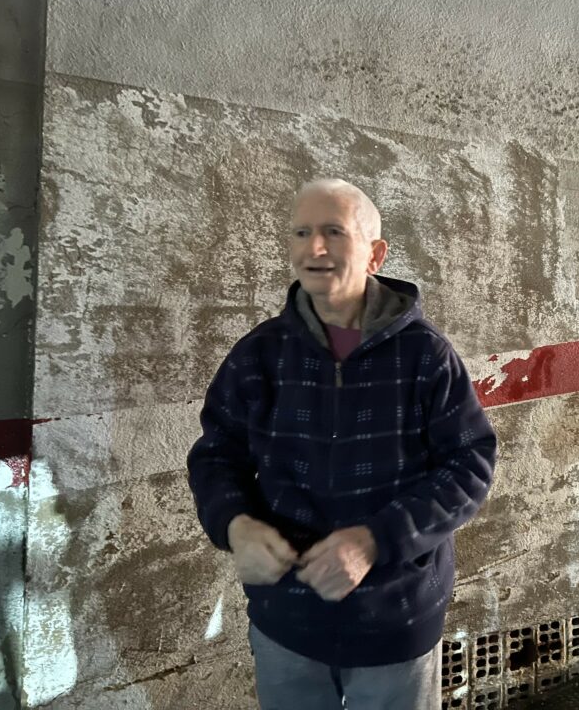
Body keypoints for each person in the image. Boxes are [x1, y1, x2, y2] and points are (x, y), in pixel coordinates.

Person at [187, 178, 497, 710]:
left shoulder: (425, 356)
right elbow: (216, 455)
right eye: (301, 232)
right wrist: (235, 525)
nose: (314, 247)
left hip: (395, 618)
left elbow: (469, 464)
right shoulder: (259, 355)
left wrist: (375, 540)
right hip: (287, 617)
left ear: (376, 254)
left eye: (334, 231)